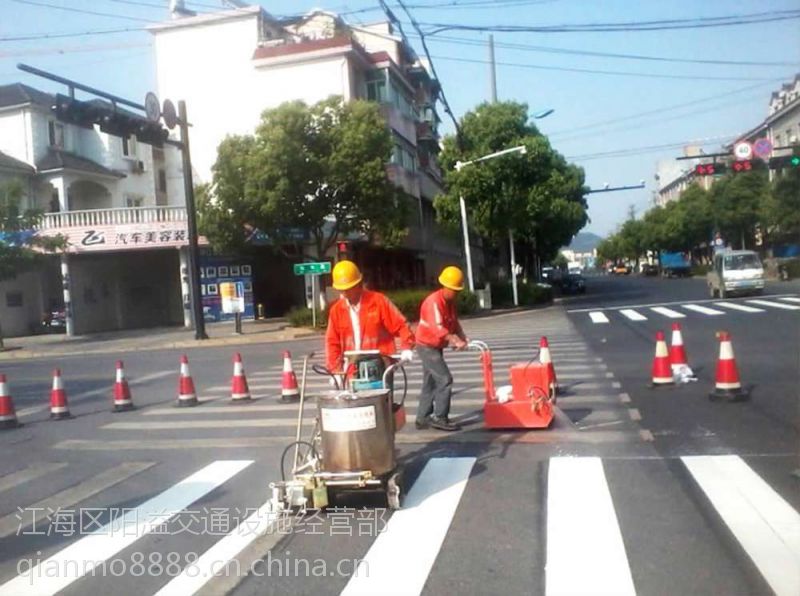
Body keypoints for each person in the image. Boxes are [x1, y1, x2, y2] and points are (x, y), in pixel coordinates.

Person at [325, 260, 414, 381]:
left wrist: (406, 347)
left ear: (358, 284)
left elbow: (401, 325)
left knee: (381, 399)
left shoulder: (378, 302)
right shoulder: (337, 311)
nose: (345, 293)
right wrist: (335, 371)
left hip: (380, 367)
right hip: (352, 370)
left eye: (348, 288)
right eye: (342, 290)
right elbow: (332, 343)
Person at [414, 266, 469, 431]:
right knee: (445, 379)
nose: (456, 293)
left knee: (430, 382)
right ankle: (440, 417)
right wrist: (454, 339)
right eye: (454, 290)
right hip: (426, 345)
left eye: (458, 290)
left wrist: (462, 337)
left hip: (434, 346)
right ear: (445, 286)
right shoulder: (434, 302)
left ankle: (422, 418)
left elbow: (454, 322)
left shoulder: (449, 302)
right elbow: (438, 328)